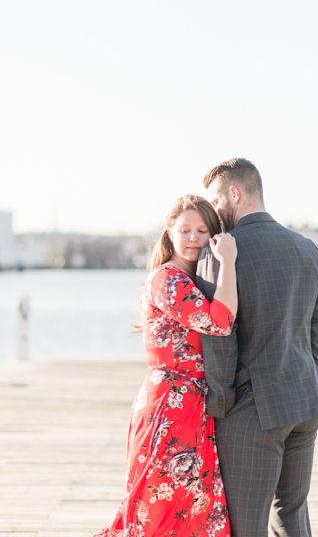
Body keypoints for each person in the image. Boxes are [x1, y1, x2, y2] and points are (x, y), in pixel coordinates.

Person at [193, 158, 318, 537]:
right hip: (305, 403)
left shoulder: (219, 253)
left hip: (252, 411)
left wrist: (219, 407)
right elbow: (317, 328)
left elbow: (218, 335)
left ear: (234, 193)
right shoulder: (308, 249)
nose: (214, 213)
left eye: (216, 201)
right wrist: (313, 382)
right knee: (293, 516)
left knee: (246, 526)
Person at [94, 195, 238, 537]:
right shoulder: (168, 280)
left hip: (189, 405)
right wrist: (229, 261)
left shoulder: (190, 280)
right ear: (169, 234)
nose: (193, 238)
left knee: (193, 509)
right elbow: (221, 321)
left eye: (202, 230)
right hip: (169, 408)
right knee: (158, 510)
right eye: (184, 229)